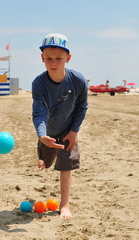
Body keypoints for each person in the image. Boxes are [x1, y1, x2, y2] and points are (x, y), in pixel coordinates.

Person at [32, 33, 88, 219]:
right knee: (46, 164)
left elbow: (82, 106)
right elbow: (39, 112)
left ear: (68, 58)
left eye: (59, 59)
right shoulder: (38, 83)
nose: (53, 63)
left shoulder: (78, 80)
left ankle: (64, 205)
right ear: (42, 58)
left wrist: (74, 132)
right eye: (48, 58)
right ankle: (43, 154)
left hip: (67, 131)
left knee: (65, 166)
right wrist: (42, 136)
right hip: (49, 130)